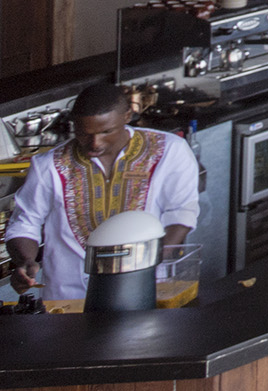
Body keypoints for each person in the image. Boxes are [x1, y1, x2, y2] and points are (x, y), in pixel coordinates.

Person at [5, 83, 202, 304]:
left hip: (146, 291)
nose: (94, 143)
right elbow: (25, 222)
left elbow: (181, 213)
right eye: (84, 133)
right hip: (67, 299)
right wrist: (25, 262)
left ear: (128, 115)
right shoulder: (48, 165)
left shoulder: (169, 150)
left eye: (106, 132)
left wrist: (147, 265)